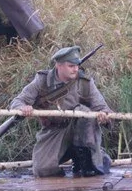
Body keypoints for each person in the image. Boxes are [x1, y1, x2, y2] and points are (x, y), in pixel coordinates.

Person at [9, 46, 113, 178]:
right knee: (43, 170)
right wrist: (23, 108)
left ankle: (88, 162)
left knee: (83, 112)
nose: (75, 69)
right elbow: (17, 102)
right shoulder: (42, 81)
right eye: (71, 66)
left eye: (77, 65)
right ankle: (97, 156)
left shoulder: (85, 83)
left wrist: (104, 116)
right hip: (54, 131)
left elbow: (103, 107)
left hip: (82, 131)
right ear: (58, 65)